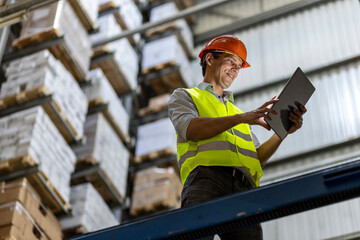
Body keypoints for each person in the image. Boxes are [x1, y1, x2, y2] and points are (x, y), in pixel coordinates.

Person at [168, 35, 307, 239]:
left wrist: (283, 132)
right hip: (206, 179)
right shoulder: (186, 96)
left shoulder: (238, 113)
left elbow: (256, 158)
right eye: (231, 61)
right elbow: (190, 128)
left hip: (244, 188)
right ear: (209, 59)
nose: (235, 69)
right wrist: (242, 117)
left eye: (239, 66)